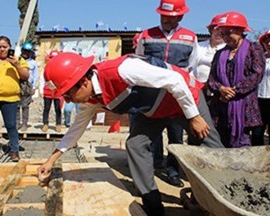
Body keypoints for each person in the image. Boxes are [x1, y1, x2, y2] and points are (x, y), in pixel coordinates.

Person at [37, 52, 224, 216]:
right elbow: (75, 131)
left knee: (210, 147)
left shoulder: (123, 69)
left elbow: (175, 80)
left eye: (68, 95)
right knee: (135, 145)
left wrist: (194, 116)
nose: (68, 101)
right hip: (153, 110)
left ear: (83, 82)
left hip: (184, 98)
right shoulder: (90, 99)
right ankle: (153, 206)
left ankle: (225, 197)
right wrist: (50, 161)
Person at [135, 0, 199, 187]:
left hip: (175, 96)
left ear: (180, 16)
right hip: (152, 96)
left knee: (176, 135)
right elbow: (139, 62)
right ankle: (154, 166)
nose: (165, 19)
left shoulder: (190, 37)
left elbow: (191, 68)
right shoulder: (146, 35)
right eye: (163, 15)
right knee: (151, 133)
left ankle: (173, 171)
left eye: (170, 17)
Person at [207, 11, 265, 148]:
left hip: (244, 106)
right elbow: (212, 78)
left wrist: (234, 91)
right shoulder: (220, 53)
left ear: (240, 31)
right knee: (222, 142)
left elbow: (256, 75)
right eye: (223, 33)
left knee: (242, 144)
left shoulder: (254, 49)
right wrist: (221, 89)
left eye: (229, 32)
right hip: (221, 105)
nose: (225, 37)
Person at [196, 14, 226, 87]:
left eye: (222, 30)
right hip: (195, 87)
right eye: (216, 29)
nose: (219, 33)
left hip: (216, 89)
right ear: (211, 30)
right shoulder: (198, 46)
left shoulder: (228, 50)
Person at [17, 41, 39, 131]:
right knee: (16, 105)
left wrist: (33, 87)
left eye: (28, 51)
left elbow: (35, 75)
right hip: (17, 84)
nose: (25, 53)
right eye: (24, 51)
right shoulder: (17, 61)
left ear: (30, 53)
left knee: (25, 105)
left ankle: (24, 123)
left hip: (27, 85)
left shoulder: (33, 63)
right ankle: (17, 122)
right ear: (22, 51)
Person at [40, 50, 62, 133]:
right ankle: (45, 123)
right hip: (47, 90)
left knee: (58, 109)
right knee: (46, 108)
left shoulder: (61, 68)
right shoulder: (46, 68)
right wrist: (41, 90)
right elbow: (42, 79)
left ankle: (58, 124)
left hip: (57, 91)